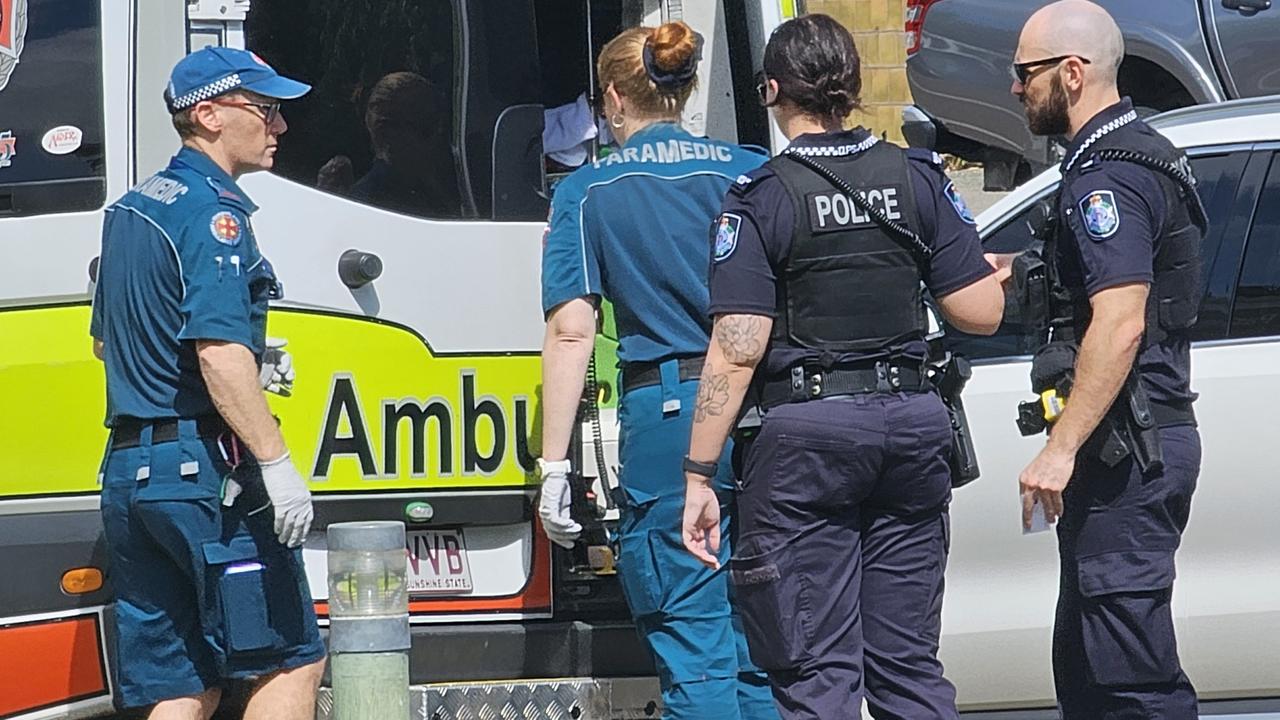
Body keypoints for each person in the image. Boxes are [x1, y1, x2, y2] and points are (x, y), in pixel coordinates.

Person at [680, 14, 1005, 719]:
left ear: (771, 90)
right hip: (913, 430)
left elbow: (738, 345)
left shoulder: (760, 198)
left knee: (817, 670)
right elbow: (980, 311)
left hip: (807, 442)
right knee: (907, 665)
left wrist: (699, 472)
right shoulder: (917, 176)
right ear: (855, 88)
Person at [538, 21, 779, 720]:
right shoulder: (749, 168)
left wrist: (553, 466)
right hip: (764, 410)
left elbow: (572, 328)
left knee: (692, 638)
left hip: (671, 416)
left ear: (614, 98)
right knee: (758, 645)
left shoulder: (587, 191)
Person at [90, 47, 326, 720]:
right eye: (266, 110)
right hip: (203, 477)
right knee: (287, 659)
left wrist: (255, 355)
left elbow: (110, 341)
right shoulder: (214, 215)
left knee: (182, 680)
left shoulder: (132, 210)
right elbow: (219, 355)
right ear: (209, 114)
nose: (279, 127)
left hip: (132, 472)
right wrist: (276, 464)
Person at [1003, 2, 1205, 717]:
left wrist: (1060, 450)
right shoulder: (1137, 152)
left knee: (1131, 685)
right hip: (1130, 444)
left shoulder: (1107, 179)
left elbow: (1120, 323)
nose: (1016, 89)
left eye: (1024, 74)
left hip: (1127, 450)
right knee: (1091, 676)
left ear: (1072, 71)